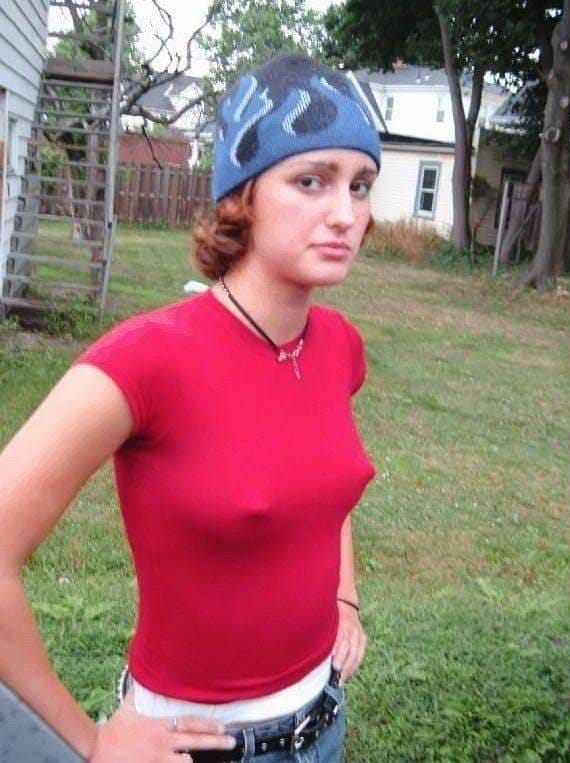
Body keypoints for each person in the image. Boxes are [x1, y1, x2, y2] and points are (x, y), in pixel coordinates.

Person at [0, 52, 380, 762]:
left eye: (360, 185)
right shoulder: (144, 361)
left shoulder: (338, 345)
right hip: (195, 747)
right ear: (241, 195)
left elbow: (326, 488)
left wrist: (345, 597)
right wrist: (89, 742)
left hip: (323, 724)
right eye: (311, 180)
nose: (346, 215)